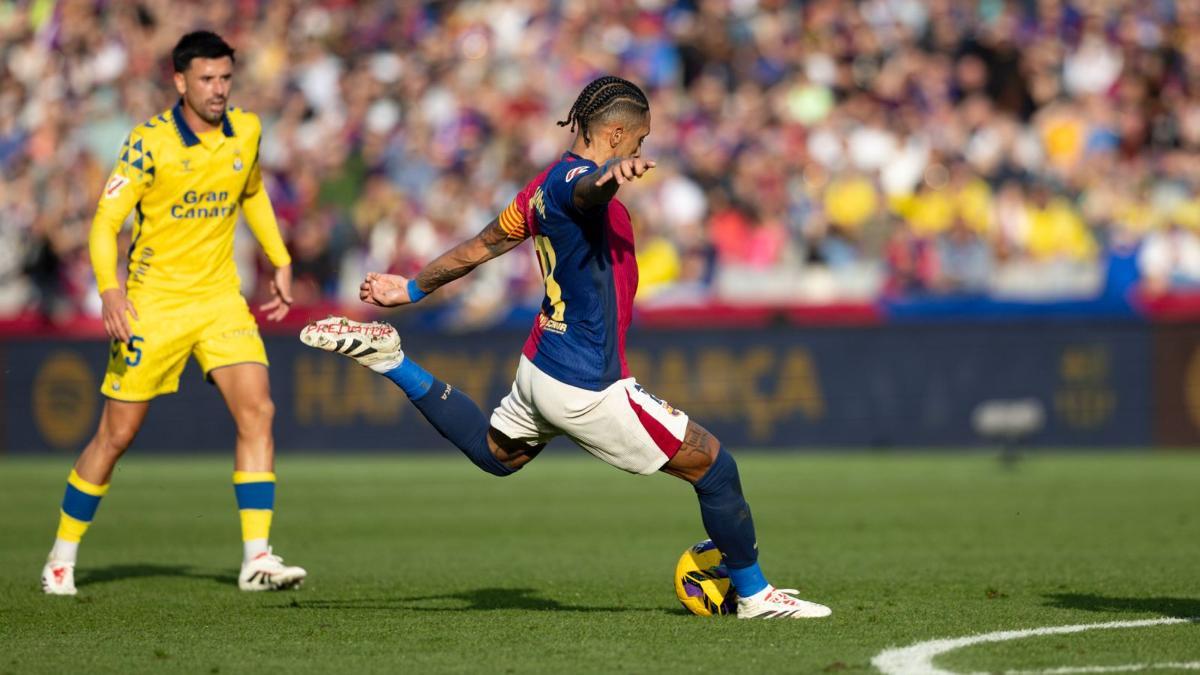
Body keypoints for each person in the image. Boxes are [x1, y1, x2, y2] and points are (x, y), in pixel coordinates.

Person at [301, 75, 830, 619]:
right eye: (639, 141)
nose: (640, 151)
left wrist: (412, 288)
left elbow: (482, 245)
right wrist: (610, 176)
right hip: (586, 383)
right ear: (617, 132)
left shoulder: (538, 189)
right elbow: (586, 191)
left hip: (542, 364)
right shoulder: (575, 184)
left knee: (495, 453)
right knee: (716, 469)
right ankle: (756, 597)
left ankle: (391, 358)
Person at [41, 31, 306, 595]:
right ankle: (61, 557)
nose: (218, 89)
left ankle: (256, 558)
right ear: (180, 81)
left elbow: (252, 191)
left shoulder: (248, 130)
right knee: (116, 435)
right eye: (207, 79)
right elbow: (105, 223)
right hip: (153, 305)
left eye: (226, 78)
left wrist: (279, 258)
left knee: (258, 410)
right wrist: (110, 291)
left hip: (219, 301)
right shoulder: (148, 143)